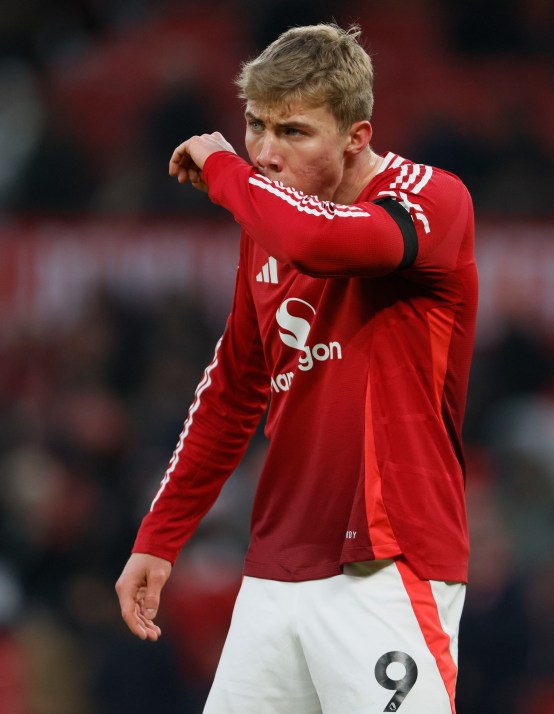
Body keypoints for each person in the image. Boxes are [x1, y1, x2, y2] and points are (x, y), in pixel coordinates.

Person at [114, 22, 478, 713]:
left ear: (357, 137)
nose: (266, 154)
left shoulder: (431, 199)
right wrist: (160, 537)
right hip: (278, 569)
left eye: (294, 133)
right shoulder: (268, 232)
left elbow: (317, 238)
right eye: (255, 127)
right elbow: (230, 393)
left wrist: (224, 169)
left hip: (387, 563)